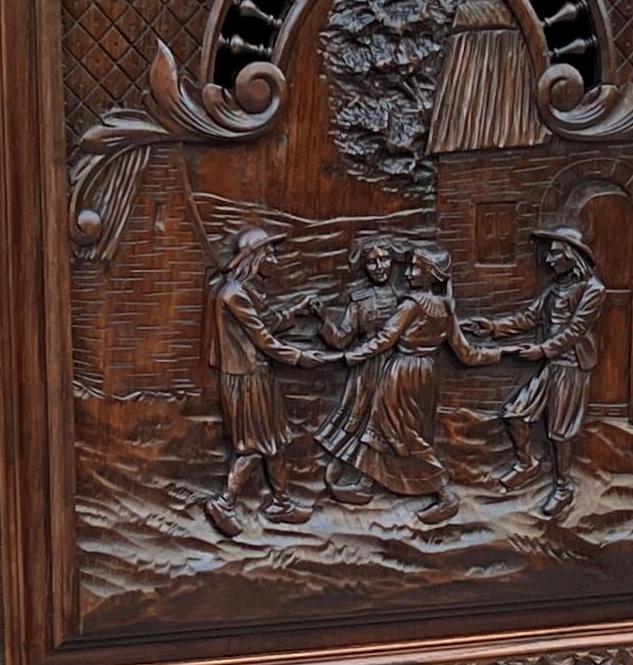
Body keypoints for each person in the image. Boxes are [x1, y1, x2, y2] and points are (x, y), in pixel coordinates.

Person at [337, 243, 495, 522]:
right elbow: (466, 353)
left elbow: (386, 338)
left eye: (414, 268)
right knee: (388, 427)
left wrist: (352, 356)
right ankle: (368, 483)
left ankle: (445, 494)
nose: (407, 273)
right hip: (427, 374)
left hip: (402, 373)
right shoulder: (446, 307)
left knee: (401, 431)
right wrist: (498, 354)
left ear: (431, 274)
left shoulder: (411, 305)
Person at [202, 226, 324, 539]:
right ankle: (224, 503)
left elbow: (264, 322)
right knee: (254, 446)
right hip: (246, 380)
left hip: (257, 375)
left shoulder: (244, 292)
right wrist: (300, 357)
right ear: (254, 258)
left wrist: (297, 310)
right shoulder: (233, 295)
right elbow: (264, 339)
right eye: (269, 252)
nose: (274, 258)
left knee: (276, 441)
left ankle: (281, 502)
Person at [483, 225, 606, 519]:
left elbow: (576, 331)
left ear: (571, 256)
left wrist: (542, 350)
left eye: (554, 254)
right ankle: (526, 464)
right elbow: (530, 317)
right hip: (552, 365)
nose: (548, 261)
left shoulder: (593, 290)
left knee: (560, 432)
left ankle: (563, 488)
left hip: (571, 366)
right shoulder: (554, 291)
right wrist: (494, 328)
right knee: (515, 412)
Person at [313, 235, 406, 499]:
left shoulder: (406, 297)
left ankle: (378, 480)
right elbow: (342, 339)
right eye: (372, 262)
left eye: (384, 259)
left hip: (398, 369)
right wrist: (323, 319)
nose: (379, 267)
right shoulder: (360, 300)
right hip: (367, 370)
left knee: (389, 426)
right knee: (359, 421)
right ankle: (342, 474)